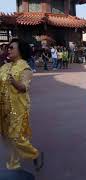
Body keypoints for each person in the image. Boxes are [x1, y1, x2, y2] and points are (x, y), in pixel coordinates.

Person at [0, 38, 43, 170]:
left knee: (16, 136)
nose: (9, 50)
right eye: (8, 47)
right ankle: (13, 164)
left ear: (20, 51)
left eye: (12, 47)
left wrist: (13, 81)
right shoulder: (4, 66)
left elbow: (24, 87)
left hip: (19, 108)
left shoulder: (26, 68)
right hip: (3, 108)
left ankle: (35, 154)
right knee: (7, 136)